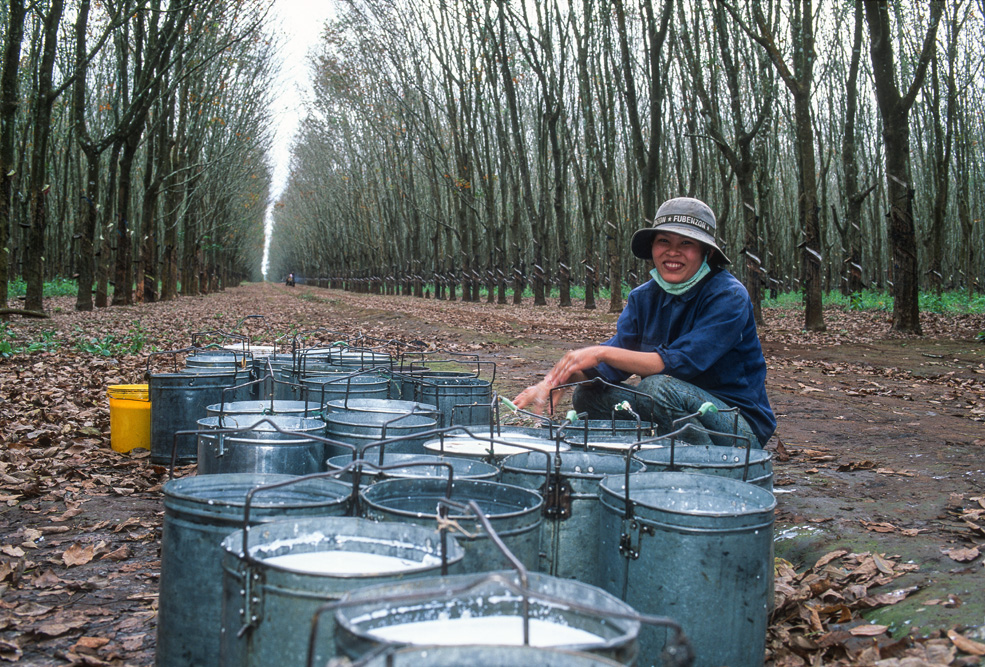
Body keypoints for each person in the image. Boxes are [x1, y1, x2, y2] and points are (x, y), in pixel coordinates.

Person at [512, 196, 775, 448]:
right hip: (672, 406)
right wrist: (557, 380)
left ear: (706, 252)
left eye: (686, 243)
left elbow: (681, 363)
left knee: (657, 388)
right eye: (664, 241)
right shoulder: (644, 297)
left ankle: (709, 466)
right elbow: (612, 365)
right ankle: (654, 454)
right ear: (652, 248)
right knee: (588, 393)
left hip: (735, 423)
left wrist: (600, 352)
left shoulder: (728, 295)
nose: (673, 252)